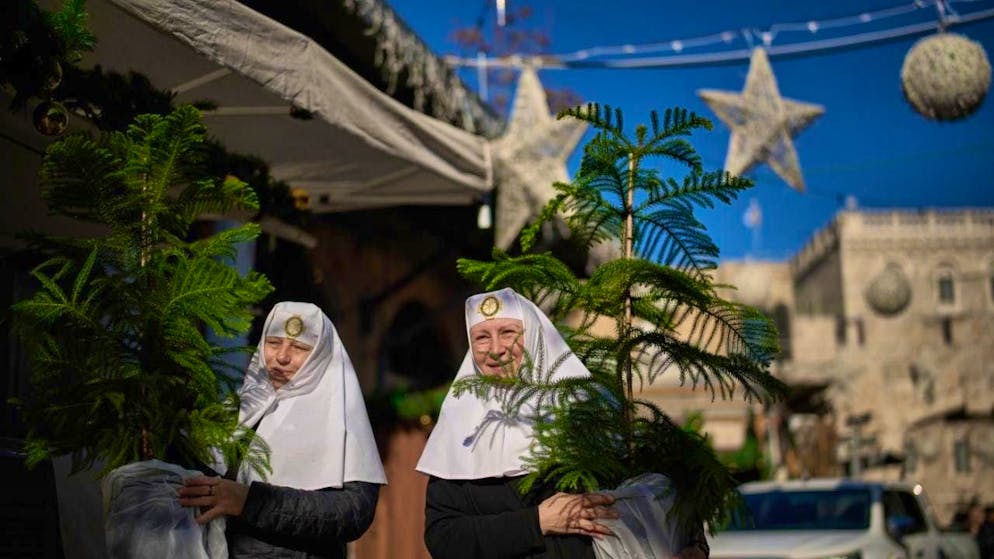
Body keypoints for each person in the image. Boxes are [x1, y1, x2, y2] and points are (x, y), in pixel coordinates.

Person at [416, 288, 709, 559]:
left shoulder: (586, 404)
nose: (495, 349)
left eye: (507, 333)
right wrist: (536, 522)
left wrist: (694, 545)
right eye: (481, 337)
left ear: (533, 336)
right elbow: (443, 537)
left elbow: (664, 491)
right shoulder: (460, 426)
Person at [178, 301, 387, 558]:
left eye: (299, 347)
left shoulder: (341, 418)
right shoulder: (239, 409)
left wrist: (250, 501)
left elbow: (354, 512)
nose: (281, 357)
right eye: (273, 343)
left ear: (321, 355)